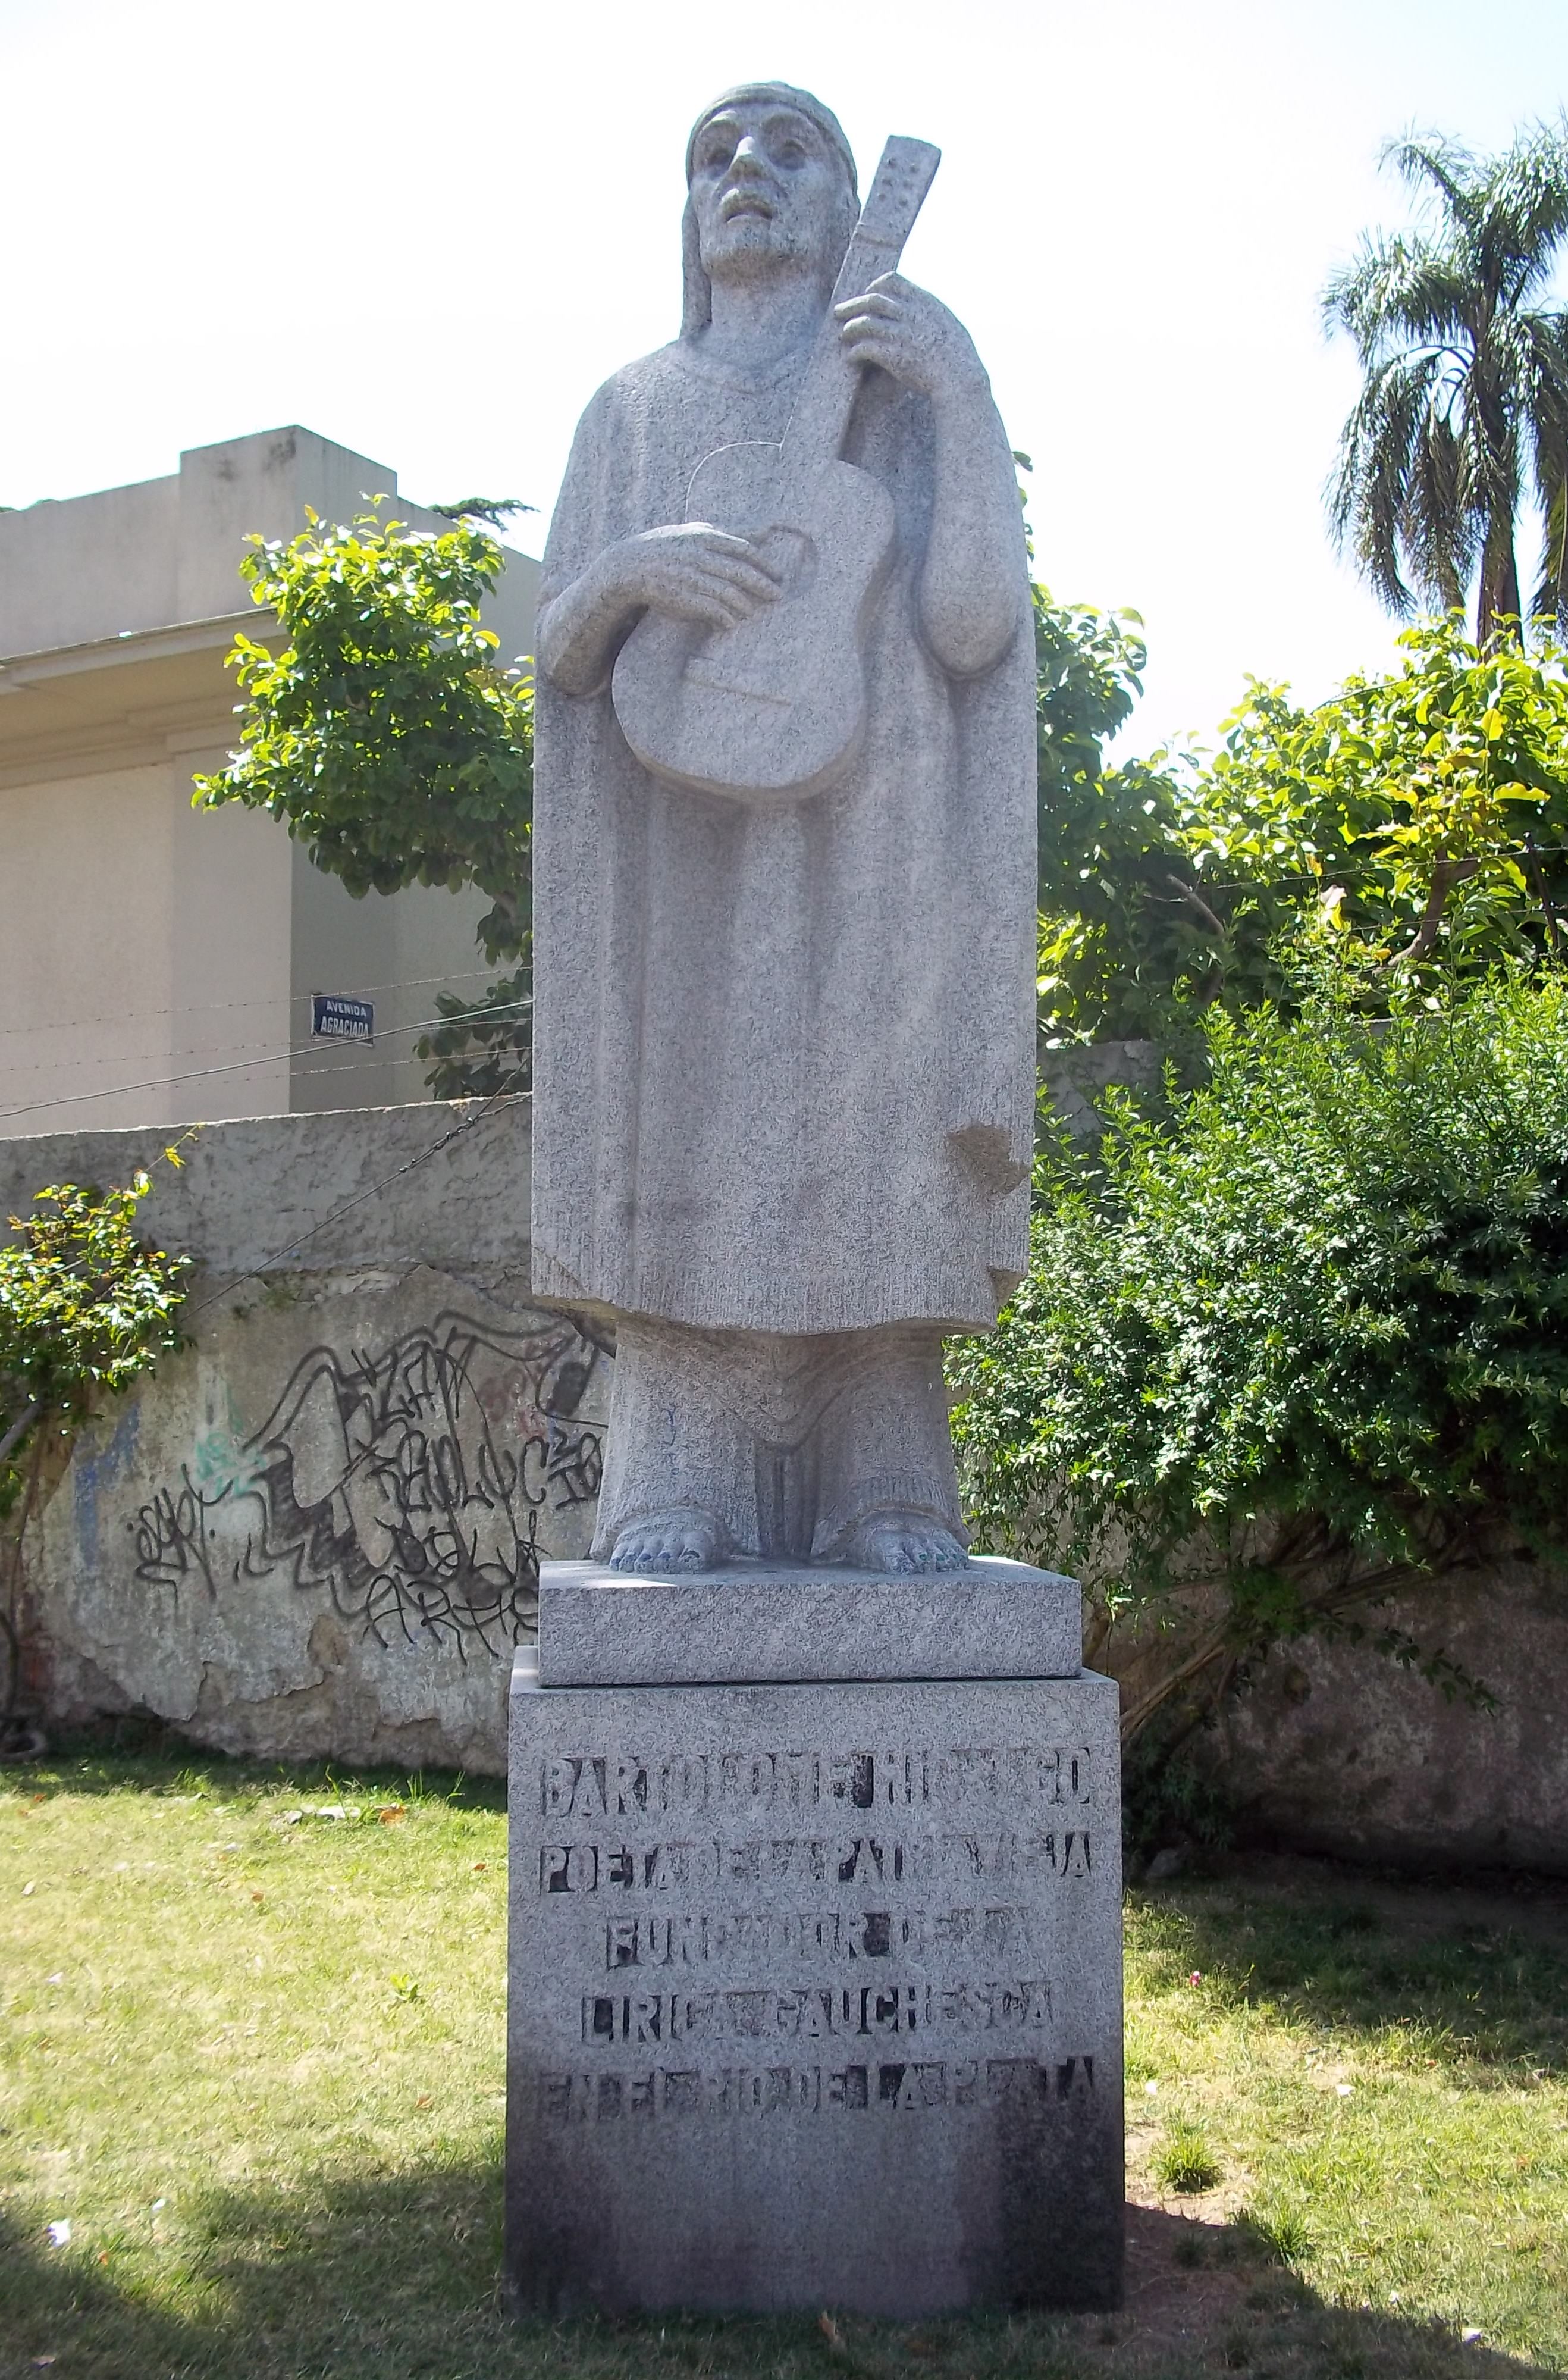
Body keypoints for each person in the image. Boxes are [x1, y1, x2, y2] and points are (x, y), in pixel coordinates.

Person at [532, 82, 1034, 1574]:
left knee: (875, 1123)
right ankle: (674, 1461)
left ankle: (889, 1466)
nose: (745, 168)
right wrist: (632, 574)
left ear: (840, 207)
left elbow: (973, 625)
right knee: (684, 1112)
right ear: (687, 217)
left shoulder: (908, 389)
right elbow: (559, 653)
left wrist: (964, 399)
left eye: (789, 145)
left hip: (877, 846)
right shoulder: (632, 408)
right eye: (714, 154)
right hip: (679, 862)